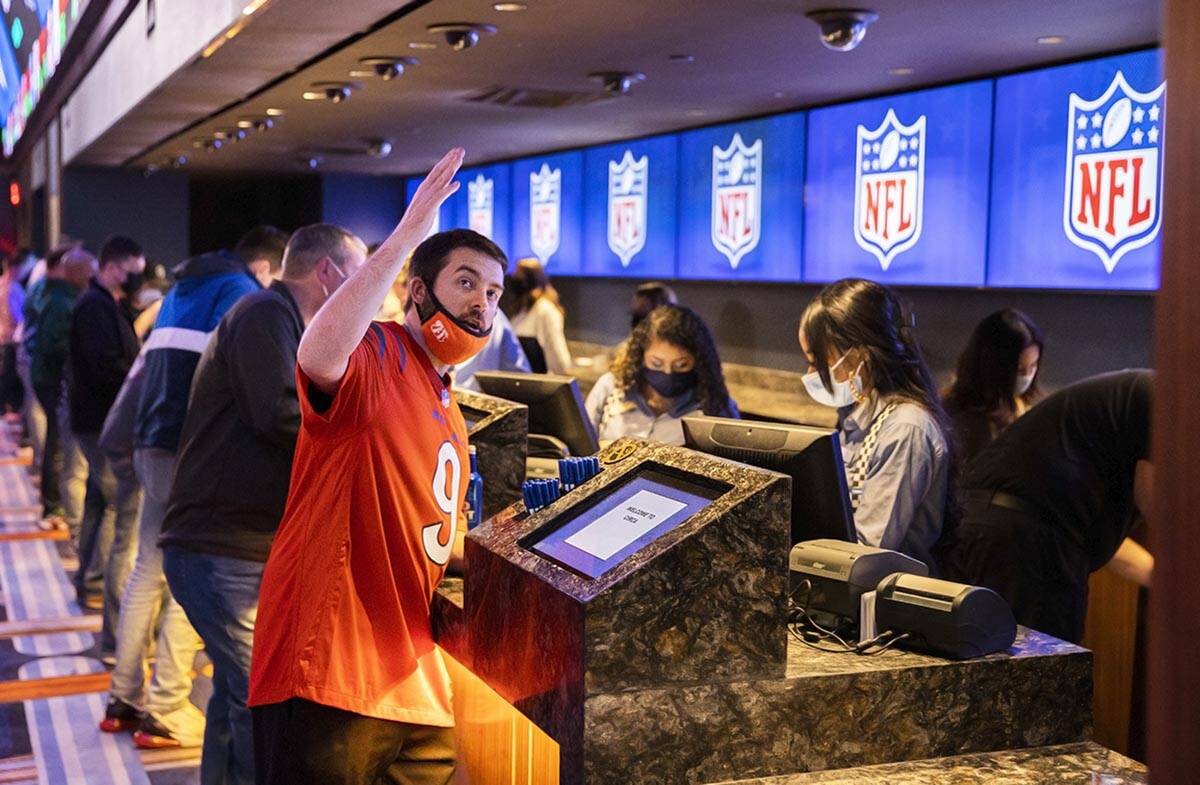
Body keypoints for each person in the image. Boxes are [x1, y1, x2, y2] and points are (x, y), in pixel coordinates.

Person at [249, 149, 501, 784]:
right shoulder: (378, 352)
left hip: (410, 675)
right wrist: (410, 232)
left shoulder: (446, 398)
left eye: (493, 291)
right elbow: (318, 352)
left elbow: (432, 532)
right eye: (466, 282)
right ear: (419, 290)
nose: (482, 304)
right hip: (329, 667)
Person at [159, 224, 366, 785]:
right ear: (328, 273)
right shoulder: (265, 315)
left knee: (236, 695)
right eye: (361, 274)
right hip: (219, 546)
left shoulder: (277, 319)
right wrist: (364, 437)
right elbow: (279, 415)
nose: (367, 292)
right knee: (261, 701)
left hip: (224, 545)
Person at [102, 237, 261, 748]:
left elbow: (142, 373)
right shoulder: (242, 291)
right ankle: (167, 707)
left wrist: (119, 440)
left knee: (149, 571)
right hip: (195, 450)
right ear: (263, 265)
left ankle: (123, 697)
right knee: (195, 569)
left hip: (153, 442)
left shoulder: (179, 291)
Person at [944, 370, 1154, 644]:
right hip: (1027, 548)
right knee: (1041, 676)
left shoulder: (1127, 401)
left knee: (992, 672)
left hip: (992, 532)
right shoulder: (1162, 397)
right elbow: (1160, 504)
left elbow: (1095, 535)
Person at [798, 278, 955, 573]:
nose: (810, 373)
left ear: (859, 357)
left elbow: (868, 550)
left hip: (891, 604)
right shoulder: (854, 415)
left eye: (817, 361)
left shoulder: (906, 429)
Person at [67, 236, 144, 653]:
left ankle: (89, 581)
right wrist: (138, 382)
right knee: (122, 525)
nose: (137, 278)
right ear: (113, 266)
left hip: (95, 422)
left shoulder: (102, 302)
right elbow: (105, 368)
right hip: (102, 424)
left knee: (100, 504)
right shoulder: (95, 306)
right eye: (134, 269)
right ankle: (117, 636)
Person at [585, 304, 737, 446]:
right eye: (656, 364)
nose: (668, 372)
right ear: (641, 356)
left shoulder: (716, 407)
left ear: (698, 361)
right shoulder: (610, 387)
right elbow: (579, 448)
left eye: (681, 365)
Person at [26, 245, 93, 524]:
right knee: (57, 445)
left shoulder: (51, 292)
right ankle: (54, 506)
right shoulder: (64, 301)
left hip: (43, 375)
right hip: (53, 379)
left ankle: (53, 504)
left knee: (56, 442)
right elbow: (55, 344)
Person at [942, 309, 1044, 466]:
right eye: (1019, 369)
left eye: (1033, 366)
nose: (1027, 376)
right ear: (993, 367)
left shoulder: (1019, 405)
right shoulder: (960, 419)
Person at [506, 257, 572, 374]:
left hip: (540, 385)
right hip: (520, 383)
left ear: (529, 280)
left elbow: (560, 358)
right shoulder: (521, 311)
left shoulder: (545, 311)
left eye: (518, 276)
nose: (514, 278)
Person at [452, 308, 531, 391]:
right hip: (462, 393)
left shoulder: (495, 318)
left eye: (490, 294)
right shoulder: (496, 316)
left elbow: (522, 379)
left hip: (475, 396)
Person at [0, 254, 26, 416]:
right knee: (11, 378)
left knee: (4, 376)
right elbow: (21, 316)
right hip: (12, 340)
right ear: (14, 268)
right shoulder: (14, 289)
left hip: (1, 338)